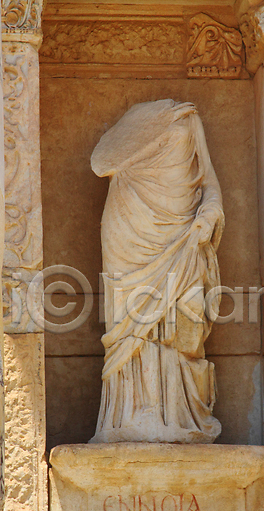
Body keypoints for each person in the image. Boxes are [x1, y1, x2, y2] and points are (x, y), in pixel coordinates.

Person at [90, 99, 224, 443]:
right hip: (129, 229)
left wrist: (209, 214)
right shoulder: (132, 125)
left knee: (187, 321)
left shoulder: (188, 118)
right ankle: (131, 414)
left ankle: (180, 415)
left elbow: (209, 182)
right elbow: (102, 162)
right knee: (131, 323)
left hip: (183, 229)